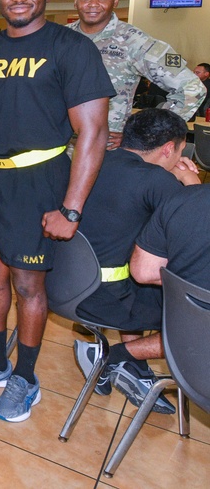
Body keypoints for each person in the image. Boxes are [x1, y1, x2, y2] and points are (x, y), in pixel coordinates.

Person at [0, 0, 114, 422]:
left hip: (39, 181)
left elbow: (94, 133)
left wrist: (72, 208)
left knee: (28, 283)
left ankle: (25, 376)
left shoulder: (73, 48)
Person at [73, 109, 200, 415]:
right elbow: (197, 224)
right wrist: (191, 182)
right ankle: (114, 357)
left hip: (66, 284)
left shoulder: (93, 160)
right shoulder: (157, 181)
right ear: (168, 149)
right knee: (193, 311)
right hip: (105, 299)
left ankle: (135, 367)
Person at [68, 0, 205, 148]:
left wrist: (144, 133)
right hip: (56, 149)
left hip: (106, 151)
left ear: (115, 1)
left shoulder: (135, 41)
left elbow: (192, 88)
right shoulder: (59, 37)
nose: (93, 4)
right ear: (76, 1)